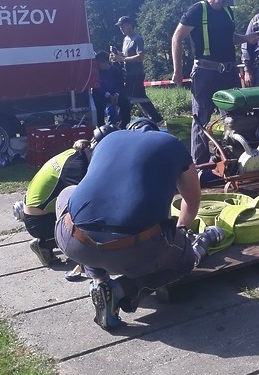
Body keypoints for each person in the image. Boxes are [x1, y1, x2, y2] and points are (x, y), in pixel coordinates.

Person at [54, 118, 206, 331]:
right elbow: (192, 200)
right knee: (186, 259)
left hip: (73, 241)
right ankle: (120, 290)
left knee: (69, 196)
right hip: (132, 249)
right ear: (155, 131)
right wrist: (181, 232)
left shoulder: (108, 140)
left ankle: (99, 281)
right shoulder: (171, 144)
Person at [171, 0, 259, 166]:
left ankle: (233, 160)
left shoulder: (228, 12)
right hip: (205, 73)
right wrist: (177, 70)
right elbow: (177, 37)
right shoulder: (197, 10)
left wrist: (246, 38)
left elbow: (230, 38)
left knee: (235, 118)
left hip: (229, 73)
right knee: (201, 119)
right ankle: (200, 165)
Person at [22, 125, 115, 267]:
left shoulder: (76, 153)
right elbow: (86, 203)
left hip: (35, 211)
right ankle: (45, 244)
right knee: (93, 221)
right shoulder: (76, 169)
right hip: (39, 222)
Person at [112, 16, 164, 126]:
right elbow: (126, 54)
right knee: (141, 96)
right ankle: (156, 118)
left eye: (123, 26)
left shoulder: (137, 39)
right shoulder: (126, 39)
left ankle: (121, 122)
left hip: (136, 74)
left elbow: (140, 56)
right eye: (120, 27)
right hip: (128, 73)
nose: (121, 29)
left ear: (129, 25)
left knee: (128, 98)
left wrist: (123, 59)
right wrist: (118, 54)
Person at [92, 51, 129, 128]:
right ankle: (101, 127)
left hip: (114, 94)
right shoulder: (96, 72)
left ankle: (123, 125)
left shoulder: (116, 70)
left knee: (126, 103)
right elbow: (97, 87)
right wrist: (108, 95)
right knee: (98, 105)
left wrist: (116, 94)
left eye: (99, 63)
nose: (97, 65)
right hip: (102, 95)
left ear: (105, 62)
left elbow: (120, 85)